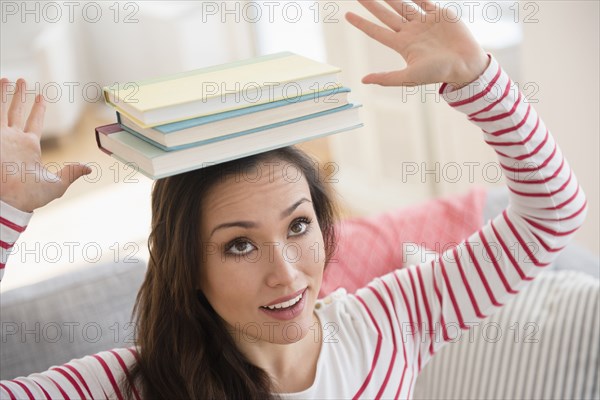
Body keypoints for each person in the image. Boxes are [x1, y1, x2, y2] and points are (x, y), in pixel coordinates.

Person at [0, 0, 588, 398]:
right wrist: (7, 213)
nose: (285, 274)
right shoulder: (130, 383)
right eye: (238, 245)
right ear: (187, 264)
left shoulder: (392, 321)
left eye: (299, 226)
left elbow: (552, 217)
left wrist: (478, 79)